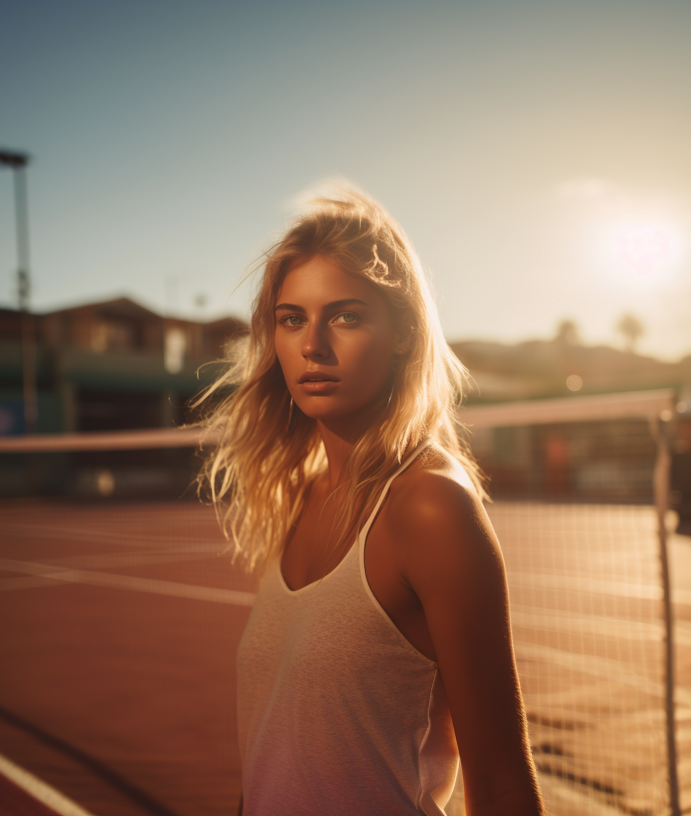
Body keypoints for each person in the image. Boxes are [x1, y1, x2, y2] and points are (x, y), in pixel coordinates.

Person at [197, 183, 544, 816]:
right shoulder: (298, 498)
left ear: (405, 334)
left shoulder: (430, 508)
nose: (313, 346)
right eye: (291, 318)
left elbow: (500, 787)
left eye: (347, 316)